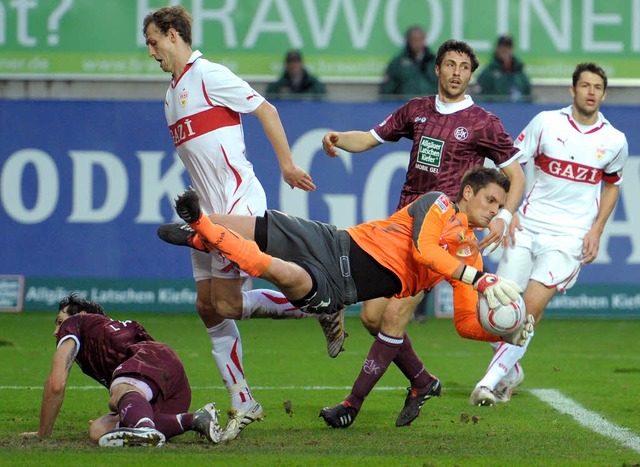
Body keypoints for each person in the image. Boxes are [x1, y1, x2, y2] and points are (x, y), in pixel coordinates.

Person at [158, 167, 535, 427]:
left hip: (337, 287)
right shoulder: (437, 203)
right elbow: (424, 247)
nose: (494, 212)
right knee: (246, 226)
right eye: (490, 201)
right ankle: (202, 230)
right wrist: (479, 278)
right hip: (331, 239)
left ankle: (199, 228)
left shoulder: (469, 254)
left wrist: (503, 333)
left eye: (500, 207)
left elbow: (466, 322)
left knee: (277, 270)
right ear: (468, 193)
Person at [142, 5, 344, 442]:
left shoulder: (209, 74)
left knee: (230, 305)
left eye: (154, 41)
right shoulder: (169, 95)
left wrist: (288, 166)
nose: (152, 51)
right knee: (206, 305)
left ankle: (320, 303)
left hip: (236, 204)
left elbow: (266, 109)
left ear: (174, 35)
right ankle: (243, 399)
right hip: (205, 214)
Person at [320, 39, 526, 425]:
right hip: (404, 227)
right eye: (450, 64)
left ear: (471, 74)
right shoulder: (416, 110)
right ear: (437, 68)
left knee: (395, 314)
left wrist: (503, 215)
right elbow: (370, 137)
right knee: (372, 317)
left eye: (464, 67)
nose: (456, 73)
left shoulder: (484, 122)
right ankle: (422, 379)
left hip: (443, 234)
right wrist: (337, 139)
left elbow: (516, 174)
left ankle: (351, 406)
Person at [469, 62, 629, 406]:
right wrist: (505, 213)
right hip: (526, 227)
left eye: (597, 87)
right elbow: (510, 169)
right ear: (572, 90)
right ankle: (511, 370)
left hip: (569, 238)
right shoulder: (546, 123)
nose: (590, 92)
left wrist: (597, 230)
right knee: (497, 311)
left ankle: (488, 382)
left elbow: (613, 186)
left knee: (528, 309)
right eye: (584, 85)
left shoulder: (614, 141)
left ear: (603, 93)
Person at [21, 293, 223, 447]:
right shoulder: (107, 336)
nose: (56, 332)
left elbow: (56, 385)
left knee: (118, 395)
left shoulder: (76, 323)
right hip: (171, 383)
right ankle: (193, 419)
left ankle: (143, 429)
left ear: (81, 316)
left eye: (59, 322)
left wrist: (42, 434)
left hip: (146, 363)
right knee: (98, 430)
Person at [380, 25, 438, 99]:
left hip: (430, 106)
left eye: (419, 40)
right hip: (405, 105)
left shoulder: (434, 62)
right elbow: (387, 91)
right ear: (408, 41)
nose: (417, 43)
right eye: (414, 40)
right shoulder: (398, 63)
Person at [476, 34, 531, 102]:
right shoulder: (488, 73)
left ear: (512, 49)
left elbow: (528, 97)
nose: (505, 50)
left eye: (508, 47)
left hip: (519, 110)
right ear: (497, 49)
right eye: (502, 47)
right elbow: (482, 98)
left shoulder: (520, 74)